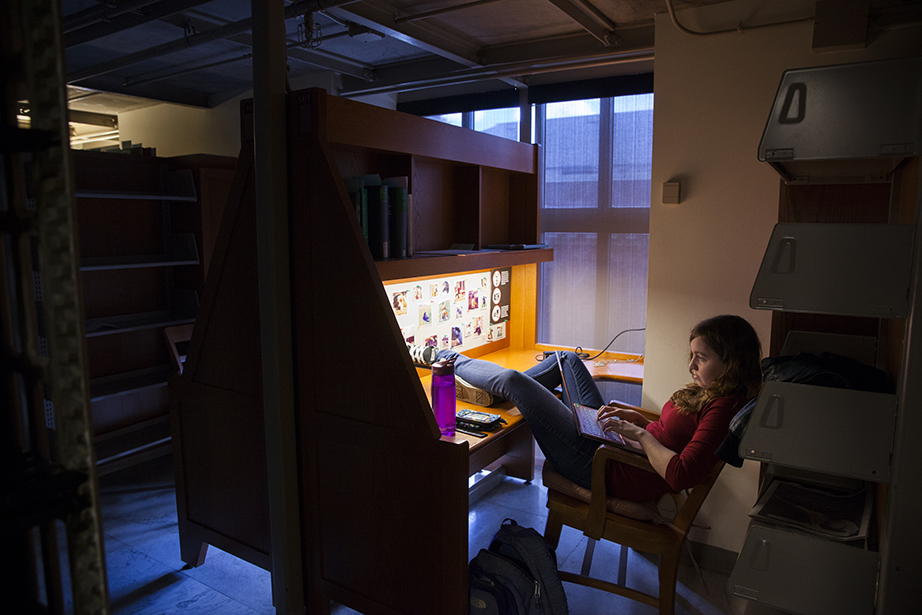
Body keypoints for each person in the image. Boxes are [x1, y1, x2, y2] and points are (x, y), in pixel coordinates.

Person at [414, 314, 762, 503]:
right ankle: (499, 391)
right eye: (692, 356)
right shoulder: (713, 391)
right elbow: (672, 435)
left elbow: (681, 473)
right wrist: (637, 421)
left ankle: (443, 358)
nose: (691, 366)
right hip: (615, 445)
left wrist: (639, 434)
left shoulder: (724, 407)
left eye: (701, 358)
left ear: (730, 361)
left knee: (516, 382)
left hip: (605, 467)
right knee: (566, 358)